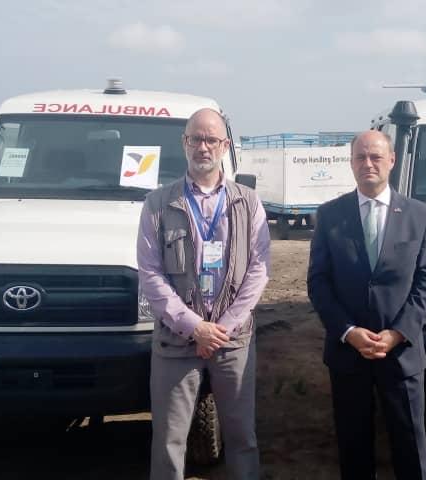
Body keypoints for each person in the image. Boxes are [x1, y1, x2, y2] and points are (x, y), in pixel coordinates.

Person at [137, 108, 270, 480]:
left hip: (233, 342)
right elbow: (150, 273)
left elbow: (259, 269)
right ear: (184, 143)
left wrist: (222, 328)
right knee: (169, 440)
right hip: (176, 342)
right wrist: (194, 326)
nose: (203, 146)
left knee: (242, 437)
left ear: (225, 146)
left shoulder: (248, 202)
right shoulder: (158, 204)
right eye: (195, 138)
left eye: (211, 139)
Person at [308, 131, 426, 479]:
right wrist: (348, 332)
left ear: (392, 161)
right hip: (348, 354)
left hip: (401, 354)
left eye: (376, 157)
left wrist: (398, 333)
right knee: (354, 448)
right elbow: (318, 283)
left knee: (411, 446)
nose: (368, 164)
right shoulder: (329, 215)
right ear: (351, 163)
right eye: (360, 157)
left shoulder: (420, 216)